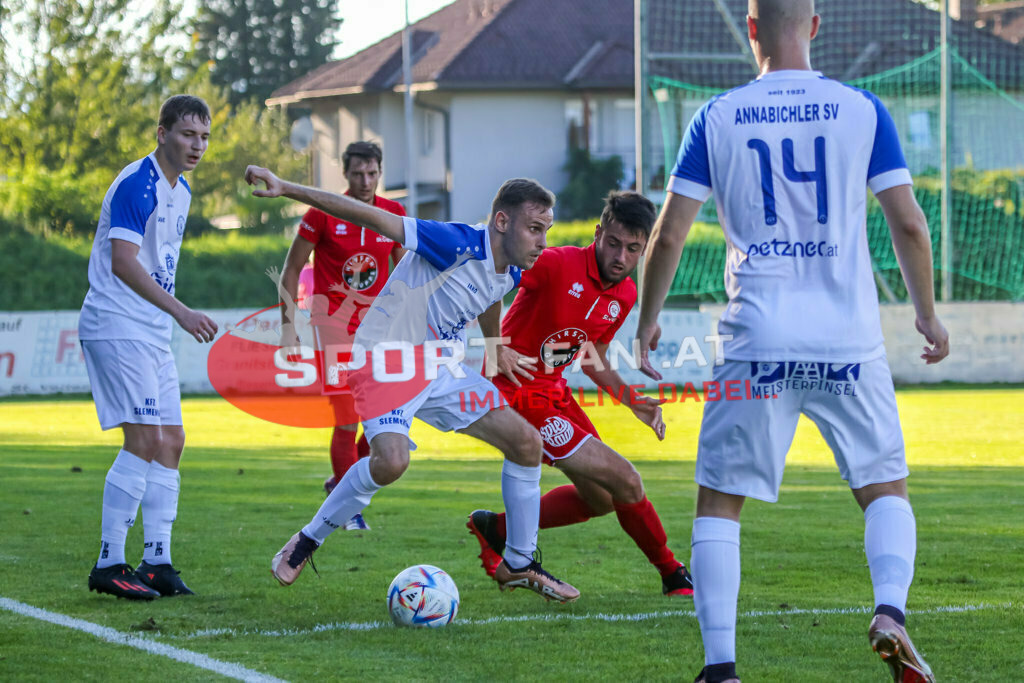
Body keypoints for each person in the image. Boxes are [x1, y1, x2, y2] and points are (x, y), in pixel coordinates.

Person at [636, 1, 950, 681]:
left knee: (720, 501)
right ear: (813, 26)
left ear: (752, 29)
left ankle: (721, 667)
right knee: (884, 487)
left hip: (757, 339)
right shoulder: (861, 109)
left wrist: (646, 320)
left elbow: (668, 234)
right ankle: (890, 611)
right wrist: (926, 313)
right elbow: (910, 224)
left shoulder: (716, 116)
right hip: (848, 340)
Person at [245, 164, 581, 603]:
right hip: (387, 360)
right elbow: (368, 216)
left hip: (442, 366)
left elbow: (488, 296)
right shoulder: (454, 241)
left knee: (526, 443)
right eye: (535, 229)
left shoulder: (512, 269)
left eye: (546, 230)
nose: (543, 241)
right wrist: (286, 188)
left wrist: (494, 344)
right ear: (502, 221)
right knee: (391, 463)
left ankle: (518, 562)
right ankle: (308, 538)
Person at [466, 190, 694, 597]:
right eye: (613, 243)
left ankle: (496, 528)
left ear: (643, 252)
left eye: (633, 249)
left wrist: (631, 400)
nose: (620, 256)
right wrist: (493, 345)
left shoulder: (625, 294)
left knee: (602, 499)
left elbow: (593, 357)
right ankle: (672, 572)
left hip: (555, 394)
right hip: (519, 393)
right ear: (597, 232)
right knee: (626, 479)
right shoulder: (556, 264)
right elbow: (492, 275)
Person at [79, 95, 217, 600]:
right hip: (118, 325)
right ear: (162, 134)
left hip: (150, 332)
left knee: (172, 441)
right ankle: (108, 562)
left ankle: (156, 560)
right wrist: (181, 311)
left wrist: (170, 317)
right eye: (186, 134)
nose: (196, 145)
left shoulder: (180, 190)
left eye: (203, 137)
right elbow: (123, 261)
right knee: (143, 440)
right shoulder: (139, 183)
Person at [277, 141, 406, 529]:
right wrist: (288, 329)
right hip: (334, 326)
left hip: (380, 330)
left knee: (382, 419)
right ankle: (349, 509)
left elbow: (404, 275)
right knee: (347, 417)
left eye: (372, 173)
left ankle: (340, 482)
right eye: (357, 174)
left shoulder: (394, 213)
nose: (365, 181)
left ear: (380, 172)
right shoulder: (323, 213)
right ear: (345, 175)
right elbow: (290, 270)